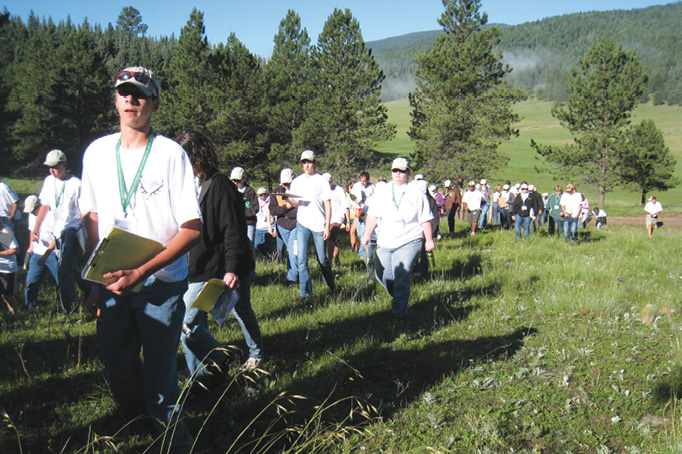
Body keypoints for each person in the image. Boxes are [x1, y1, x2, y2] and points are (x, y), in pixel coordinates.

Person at [80, 66, 200, 451]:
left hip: (160, 281)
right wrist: (95, 282)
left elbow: (192, 228)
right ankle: (141, 425)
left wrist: (143, 270)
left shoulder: (170, 154)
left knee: (162, 377)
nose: (131, 100)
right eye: (124, 92)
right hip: (112, 279)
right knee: (119, 370)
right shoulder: (97, 153)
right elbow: (92, 218)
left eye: (141, 94)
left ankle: (175, 442)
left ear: (155, 103)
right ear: (115, 99)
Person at [175, 130, 262, 384]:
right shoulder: (189, 185)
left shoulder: (220, 184)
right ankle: (199, 376)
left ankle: (229, 358)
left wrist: (232, 268)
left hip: (225, 266)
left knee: (238, 311)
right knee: (193, 322)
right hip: (197, 267)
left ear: (196, 155)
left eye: (185, 157)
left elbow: (233, 230)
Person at [361, 158, 434, 319]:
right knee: (384, 275)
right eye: (395, 171)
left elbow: (425, 218)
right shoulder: (383, 192)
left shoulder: (417, 193)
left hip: (410, 239)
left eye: (402, 171)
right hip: (385, 241)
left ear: (408, 173)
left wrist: (429, 239)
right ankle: (401, 298)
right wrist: (366, 234)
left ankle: (400, 313)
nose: (398, 174)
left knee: (402, 274)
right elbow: (372, 215)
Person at [31, 149, 83, 312]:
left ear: (64, 165)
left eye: (55, 167)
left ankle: (69, 307)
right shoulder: (48, 181)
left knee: (64, 267)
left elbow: (85, 212)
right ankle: (91, 289)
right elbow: (45, 205)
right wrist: (36, 227)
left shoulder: (76, 183)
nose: (52, 170)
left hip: (71, 230)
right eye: (49, 167)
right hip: (56, 230)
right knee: (70, 268)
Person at [287, 150, 335, 300]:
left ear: (314, 163)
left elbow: (327, 203)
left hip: (319, 224)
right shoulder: (297, 181)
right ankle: (305, 292)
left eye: (309, 162)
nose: (307, 165)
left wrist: (327, 226)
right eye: (304, 162)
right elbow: (295, 202)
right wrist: (288, 199)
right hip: (302, 223)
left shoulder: (321, 180)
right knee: (301, 258)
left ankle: (331, 285)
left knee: (322, 259)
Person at [23, 195, 59, 310]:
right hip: (37, 252)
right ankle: (30, 306)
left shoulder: (51, 216)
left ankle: (66, 306)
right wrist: (31, 245)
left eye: (34, 211)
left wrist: (46, 255)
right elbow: (31, 230)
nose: (32, 213)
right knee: (31, 281)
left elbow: (55, 238)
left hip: (53, 253)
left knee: (61, 281)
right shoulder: (31, 216)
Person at [269, 168, 298, 286]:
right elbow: (273, 209)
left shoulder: (298, 191)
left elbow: (300, 209)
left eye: (288, 184)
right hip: (282, 225)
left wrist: (288, 209)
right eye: (284, 184)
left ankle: (292, 278)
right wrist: (287, 207)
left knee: (292, 250)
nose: (286, 186)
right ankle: (295, 274)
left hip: (295, 224)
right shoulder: (276, 192)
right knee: (290, 251)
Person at [324, 173, 351, 267]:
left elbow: (345, 205)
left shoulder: (338, 190)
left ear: (331, 182)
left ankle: (329, 261)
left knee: (330, 234)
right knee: (332, 239)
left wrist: (348, 221)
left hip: (337, 217)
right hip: (327, 218)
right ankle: (337, 260)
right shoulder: (322, 191)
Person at [230, 166, 258, 250]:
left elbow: (255, 208)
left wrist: (241, 211)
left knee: (249, 246)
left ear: (243, 179)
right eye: (233, 180)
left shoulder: (250, 191)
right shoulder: (230, 191)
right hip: (235, 224)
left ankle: (250, 263)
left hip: (248, 223)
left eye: (237, 180)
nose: (235, 183)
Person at [350, 171, 375, 260]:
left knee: (366, 231)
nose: (363, 183)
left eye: (364, 181)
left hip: (368, 211)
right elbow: (351, 195)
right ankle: (362, 251)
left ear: (367, 180)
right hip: (358, 209)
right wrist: (355, 199)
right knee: (360, 232)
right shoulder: (357, 186)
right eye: (361, 181)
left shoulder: (372, 187)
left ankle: (363, 252)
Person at [0, 219, 20, 315]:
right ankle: (9, 313)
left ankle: (16, 313)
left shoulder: (4, 232)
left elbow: (15, 250)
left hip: (7, 269)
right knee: (2, 294)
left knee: (8, 295)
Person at [255, 187, 276, 259]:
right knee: (256, 245)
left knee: (268, 247)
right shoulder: (257, 201)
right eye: (259, 195)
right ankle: (263, 257)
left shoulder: (271, 201)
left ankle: (269, 259)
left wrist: (274, 229)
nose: (260, 197)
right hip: (258, 227)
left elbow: (275, 216)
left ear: (266, 194)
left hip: (268, 228)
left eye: (262, 195)